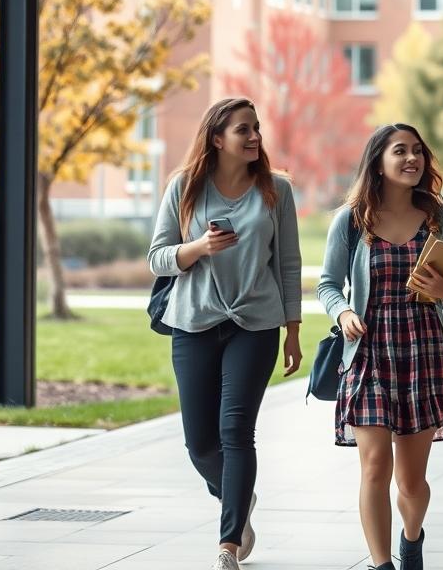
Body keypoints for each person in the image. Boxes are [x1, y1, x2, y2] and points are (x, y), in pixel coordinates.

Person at [147, 97, 303, 570]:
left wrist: (292, 332)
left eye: (256, 128)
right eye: (243, 129)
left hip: (254, 324)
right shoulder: (184, 188)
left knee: (236, 431)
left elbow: (289, 264)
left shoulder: (275, 190)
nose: (255, 136)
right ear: (217, 138)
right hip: (193, 322)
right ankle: (238, 496)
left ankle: (228, 544)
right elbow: (156, 257)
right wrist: (198, 247)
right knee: (200, 443)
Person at [318, 123, 443, 570]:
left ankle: (412, 537)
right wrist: (343, 312)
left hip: (422, 354)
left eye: (418, 152)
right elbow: (328, 285)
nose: (412, 159)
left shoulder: (439, 217)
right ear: (379, 163)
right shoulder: (351, 219)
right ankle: (380, 563)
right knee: (373, 469)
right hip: (367, 354)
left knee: (411, 482)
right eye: (400, 151)